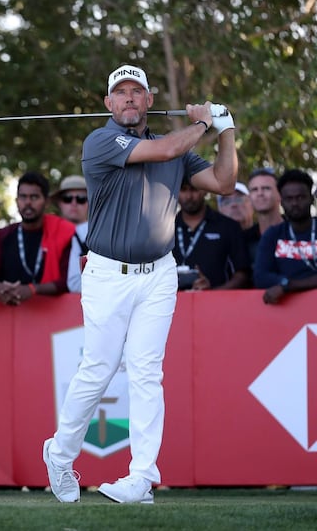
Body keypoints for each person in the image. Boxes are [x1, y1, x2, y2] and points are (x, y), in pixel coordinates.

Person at [43, 64, 237, 504]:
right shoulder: (101, 141)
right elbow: (168, 149)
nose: (129, 98)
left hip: (159, 274)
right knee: (99, 369)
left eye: (137, 92)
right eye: (121, 92)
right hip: (109, 274)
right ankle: (59, 453)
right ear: (109, 104)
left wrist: (224, 130)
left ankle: (141, 478)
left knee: (148, 373)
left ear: (149, 101)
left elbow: (224, 183)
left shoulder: (177, 150)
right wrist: (203, 121)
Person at [0, 172, 75, 304]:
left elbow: (68, 281)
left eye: (34, 197)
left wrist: (33, 289)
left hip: (54, 318)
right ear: (16, 201)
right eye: (23, 197)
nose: (27, 202)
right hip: (7, 317)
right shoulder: (2, 236)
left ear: (46, 202)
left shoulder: (63, 232)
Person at [172, 179, 251, 290]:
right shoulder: (165, 229)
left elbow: (242, 275)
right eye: (183, 190)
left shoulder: (229, 226)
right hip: (172, 304)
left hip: (217, 305)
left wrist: (212, 294)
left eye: (194, 190)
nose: (189, 196)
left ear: (205, 191)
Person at [254, 169, 317, 304]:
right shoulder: (273, 235)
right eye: (289, 199)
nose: (294, 203)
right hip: (287, 313)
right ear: (281, 202)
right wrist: (288, 283)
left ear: (311, 199)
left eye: (300, 197)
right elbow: (260, 277)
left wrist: (287, 286)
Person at [52, 175, 89, 293]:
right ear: (60, 203)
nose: (74, 203)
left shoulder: (100, 234)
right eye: (67, 198)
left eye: (81, 198)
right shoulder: (48, 232)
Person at [245, 167, 283, 272]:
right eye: (254, 190)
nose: (260, 193)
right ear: (249, 197)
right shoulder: (244, 239)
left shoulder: (296, 231)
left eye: (266, 188)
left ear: (280, 194)